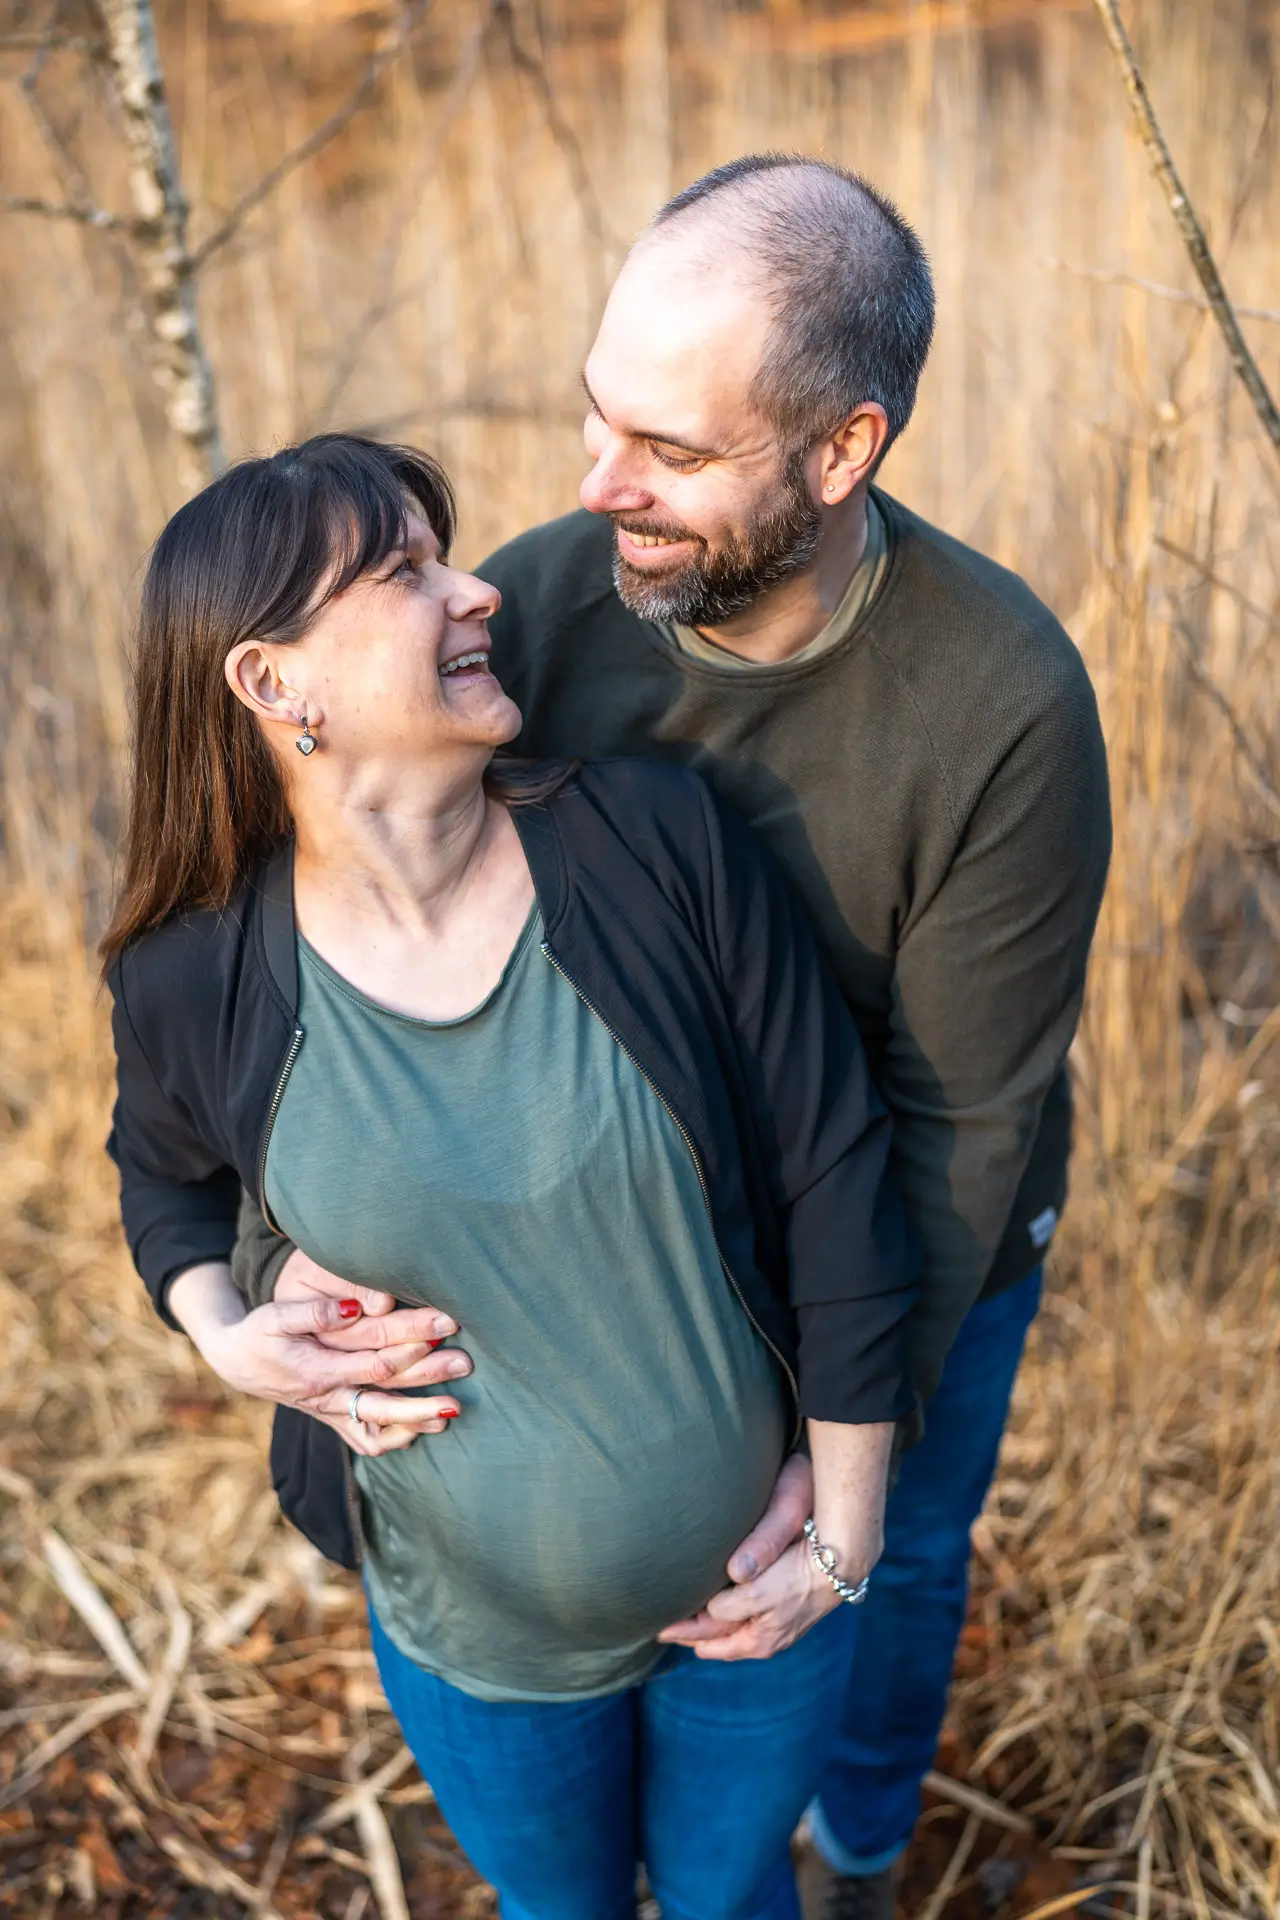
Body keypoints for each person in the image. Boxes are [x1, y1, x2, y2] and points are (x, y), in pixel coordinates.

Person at [234, 154, 1112, 1915]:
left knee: (889, 1562)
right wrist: (272, 1265)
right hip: (653, 1223)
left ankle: (861, 1846)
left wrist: (840, 1454)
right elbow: (346, 916)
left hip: (922, 1224)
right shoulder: (551, 606)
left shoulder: (1005, 708)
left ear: (842, 452)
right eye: (597, 416)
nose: (598, 485)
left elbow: (954, 1129)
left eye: (673, 451)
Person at [104, 432, 922, 1920]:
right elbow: (162, 1179)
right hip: (473, 1648)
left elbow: (836, 1170)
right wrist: (226, 1329)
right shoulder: (194, 972)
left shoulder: (655, 847)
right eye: (407, 574)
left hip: (762, 1596)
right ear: (272, 681)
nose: (478, 592)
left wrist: (845, 1525)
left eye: (451, 558)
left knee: (735, 1894)